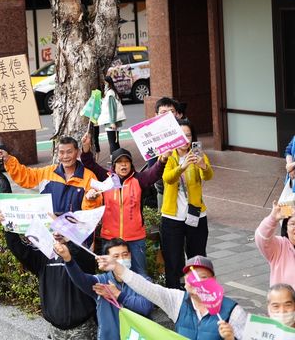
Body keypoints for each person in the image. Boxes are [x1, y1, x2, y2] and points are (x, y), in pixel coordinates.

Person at [0, 209, 97, 339]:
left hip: (83, 330)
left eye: (61, 227)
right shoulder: (44, 256)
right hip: (55, 330)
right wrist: (7, 224)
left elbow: (81, 255)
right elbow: (18, 249)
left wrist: (67, 234)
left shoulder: (83, 254)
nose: (57, 233)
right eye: (53, 227)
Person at [96, 254, 247, 339]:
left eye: (203, 277)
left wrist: (231, 338)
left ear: (213, 281)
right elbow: (148, 288)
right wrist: (117, 267)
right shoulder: (178, 301)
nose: (196, 283)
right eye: (190, 278)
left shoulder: (233, 311)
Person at [80, 136, 170, 276]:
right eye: (120, 162)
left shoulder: (138, 179)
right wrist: (86, 148)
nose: (123, 165)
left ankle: (141, 299)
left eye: (126, 162)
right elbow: (89, 163)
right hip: (110, 238)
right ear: (114, 166)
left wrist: (162, 160)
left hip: (135, 238)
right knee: (111, 276)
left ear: (131, 164)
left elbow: (154, 173)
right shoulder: (106, 178)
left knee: (140, 275)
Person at [56, 237, 154, 340]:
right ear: (107, 258)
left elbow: (146, 307)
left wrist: (118, 294)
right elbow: (81, 279)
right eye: (116, 256)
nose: (121, 259)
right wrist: (68, 259)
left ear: (130, 255)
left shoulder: (143, 280)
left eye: (125, 254)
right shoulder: (101, 281)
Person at [161, 119, 214, 289]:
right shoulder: (170, 156)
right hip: (172, 216)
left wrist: (202, 166)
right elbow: (167, 179)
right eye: (181, 135)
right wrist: (182, 167)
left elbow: (208, 176)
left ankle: (200, 292)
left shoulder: (198, 154)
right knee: (173, 260)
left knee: (197, 258)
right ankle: (174, 295)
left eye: (189, 135)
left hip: (196, 215)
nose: (185, 139)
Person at [0, 136, 102, 214]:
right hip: (52, 234)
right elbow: (25, 177)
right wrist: (8, 159)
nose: (65, 156)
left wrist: (90, 200)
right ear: (57, 154)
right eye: (61, 152)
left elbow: (92, 213)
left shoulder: (89, 177)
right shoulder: (47, 172)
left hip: (77, 235)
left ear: (77, 152)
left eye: (69, 152)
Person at [255, 201, 295, 288]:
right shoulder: (279, 247)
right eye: (293, 224)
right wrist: (273, 218)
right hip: (283, 301)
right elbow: (261, 237)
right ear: (286, 228)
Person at [98, 76, 126, 154]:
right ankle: (117, 158)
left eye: (104, 83)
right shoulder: (110, 92)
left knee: (112, 142)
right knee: (115, 141)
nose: (103, 84)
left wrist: (112, 122)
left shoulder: (110, 93)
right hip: (111, 121)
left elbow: (112, 108)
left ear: (108, 83)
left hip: (111, 122)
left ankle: (113, 159)